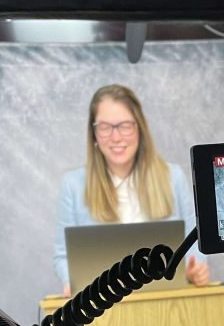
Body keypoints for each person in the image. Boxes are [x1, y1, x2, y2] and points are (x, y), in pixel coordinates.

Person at [53, 84, 208, 294]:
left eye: (125, 125)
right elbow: (63, 257)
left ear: (139, 128)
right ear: (94, 134)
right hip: (105, 314)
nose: (116, 138)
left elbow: (195, 244)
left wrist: (196, 269)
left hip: (168, 305)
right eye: (105, 127)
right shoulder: (72, 185)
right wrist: (70, 281)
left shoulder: (174, 177)